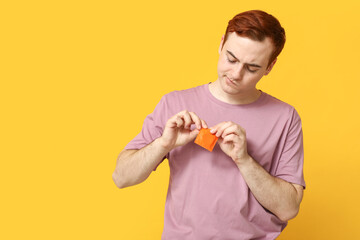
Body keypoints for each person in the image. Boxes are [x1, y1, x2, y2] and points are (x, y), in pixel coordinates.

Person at [112, 9, 305, 240]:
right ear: (221, 44)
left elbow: (289, 208)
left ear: (270, 66)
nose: (235, 73)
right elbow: (121, 177)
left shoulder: (285, 118)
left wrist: (244, 159)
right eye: (231, 59)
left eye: (252, 67)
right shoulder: (175, 103)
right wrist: (163, 144)